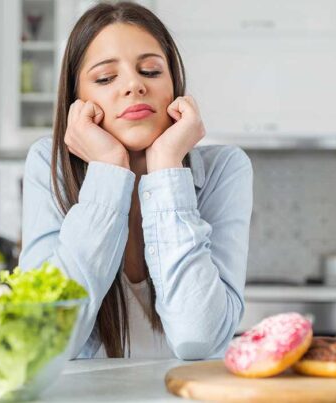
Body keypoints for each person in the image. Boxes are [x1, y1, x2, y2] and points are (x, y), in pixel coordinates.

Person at [18, 1, 253, 360]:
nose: (133, 85)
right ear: (78, 101)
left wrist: (167, 168)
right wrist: (110, 170)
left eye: (150, 71)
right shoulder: (47, 165)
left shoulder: (227, 168)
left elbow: (199, 337)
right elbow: (42, 338)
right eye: (105, 78)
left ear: (174, 86)